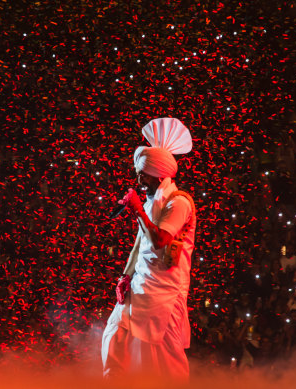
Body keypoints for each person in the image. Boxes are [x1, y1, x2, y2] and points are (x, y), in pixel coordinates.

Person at [101, 118, 196, 379]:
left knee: (162, 360)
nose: (138, 177)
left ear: (159, 173)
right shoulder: (152, 201)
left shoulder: (178, 203)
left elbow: (159, 241)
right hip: (140, 285)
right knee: (115, 338)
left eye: (142, 172)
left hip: (163, 293)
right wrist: (125, 276)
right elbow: (140, 245)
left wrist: (138, 211)